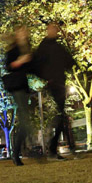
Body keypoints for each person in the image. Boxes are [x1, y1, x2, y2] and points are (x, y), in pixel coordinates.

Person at [33, 22, 77, 160]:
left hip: (60, 82)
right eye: (52, 29)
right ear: (48, 31)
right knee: (60, 115)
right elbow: (36, 64)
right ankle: (54, 148)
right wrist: (47, 78)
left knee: (62, 115)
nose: (54, 31)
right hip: (53, 83)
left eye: (55, 29)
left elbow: (68, 61)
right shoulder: (44, 47)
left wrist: (73, 65)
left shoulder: (58, 46)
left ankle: (57, 148)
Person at [3, 25, 33, 166]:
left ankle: (16, 153)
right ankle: (16, 154)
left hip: (25, 87)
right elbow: (7, 66)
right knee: (25, 121)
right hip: (17, 88)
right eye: (21, 32)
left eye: (25, 32)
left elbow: (32, 67)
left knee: (25, 121)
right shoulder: (13, 49)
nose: (23, 34)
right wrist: (20, 61)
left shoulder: (27, 48)